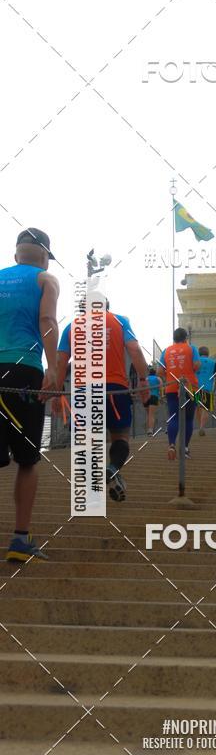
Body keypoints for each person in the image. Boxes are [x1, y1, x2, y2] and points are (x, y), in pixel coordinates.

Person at [1, 229, 59, 563]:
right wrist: (52, 368)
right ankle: (20, 540)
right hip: (24, 371)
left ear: (15, 256)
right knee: (26, 459)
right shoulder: (45, 280)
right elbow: (47, 319)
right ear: (45, 256)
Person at [55, 302, 149, 502]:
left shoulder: (72, 326)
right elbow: (134, 349)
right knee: (120, 437)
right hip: (114, 387)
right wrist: (143, 379)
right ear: (106, 306)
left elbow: (60, 362)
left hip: (84, 390)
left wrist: (57, 393)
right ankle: (112, 469)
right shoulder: (119, 320)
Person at [159, 328, 200, 460]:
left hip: (171, 387)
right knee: (188, 418)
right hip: (189, 387)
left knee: (174, 417)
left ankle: (171, 445)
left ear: (174, 338)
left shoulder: (166, 350)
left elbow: (160, 371)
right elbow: (197, 365)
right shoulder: (192, 348)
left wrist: (171, 373)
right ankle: (185, 448)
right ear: (185, 338)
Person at [194, 346, 216, 436]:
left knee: (198, 408)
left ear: (199, 353)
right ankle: (202, 427)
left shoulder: (196, 362)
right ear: (208, 353)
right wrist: (214, 389)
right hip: (208, 387)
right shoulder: (213, 363)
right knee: (205, 409)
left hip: (196, 387)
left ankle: (200, 425)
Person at [145, 367, 162, 435]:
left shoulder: (146, 379)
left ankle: (149, 429)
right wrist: (161, 396)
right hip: (154, 396)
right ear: (155, 373)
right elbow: (161, 387)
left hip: (147, 397)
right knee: (151, 414)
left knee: (148, 414)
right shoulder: (158, 378)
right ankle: (150, 430)